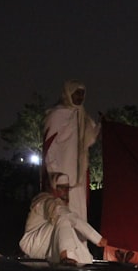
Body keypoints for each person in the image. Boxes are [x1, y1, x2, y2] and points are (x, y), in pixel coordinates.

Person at [43, 79, 100, 222]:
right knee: (63, 213)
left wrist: (101, 126)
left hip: (78, 176)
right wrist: (54, 173)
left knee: (79, 213)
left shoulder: (83, 115)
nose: (80, 98)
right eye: (77, 94)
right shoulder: (57, 114)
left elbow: (89, 139)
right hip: (62, 173)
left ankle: (79, 244)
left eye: (82, 94)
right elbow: (50, 146)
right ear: (68, 93)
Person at [20, 173, 107, 265]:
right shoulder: (45, 201)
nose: (65, 192)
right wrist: (97, 238)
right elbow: (66, 215)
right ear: (54, 188)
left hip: (45, 244)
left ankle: (84, 264)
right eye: (62, 188)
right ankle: (65, 258)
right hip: (33, 243)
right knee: (63, 219)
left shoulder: (58, 203)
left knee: (75, 242)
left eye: (67, 188)